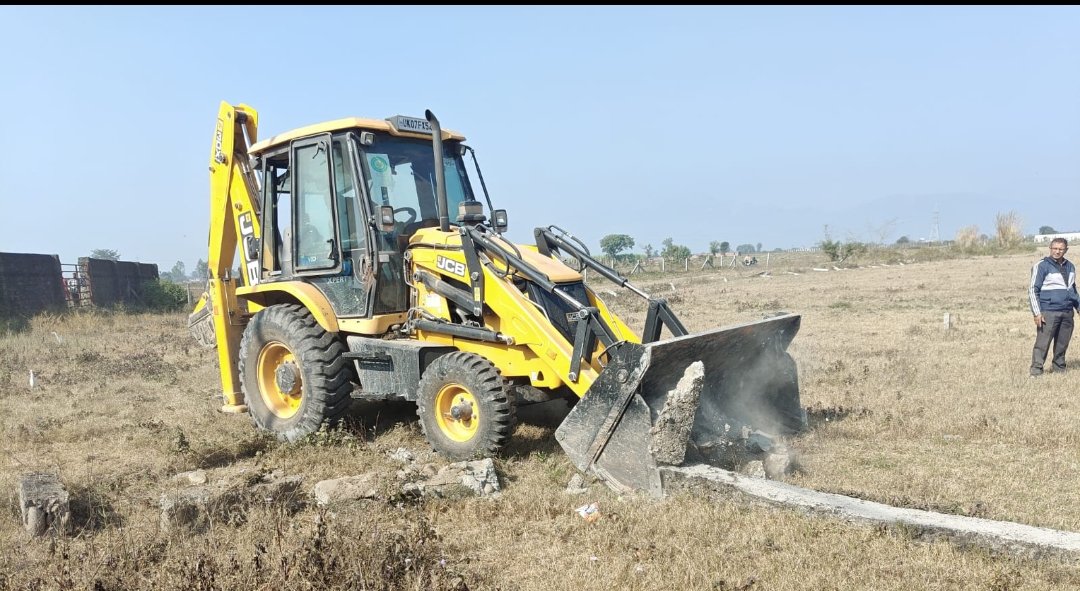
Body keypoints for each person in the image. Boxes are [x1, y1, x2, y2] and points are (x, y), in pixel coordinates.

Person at [1028, 237, 1080, 376]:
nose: (1057, 251)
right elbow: (1033, 290)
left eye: (1061, 249)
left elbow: (1072, 289)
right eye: (1055, 248)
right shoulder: (1041, 266)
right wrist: (1037, 313)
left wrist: (1078, 306)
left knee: (1063, 343)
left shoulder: (1070, 266)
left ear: (1066, 250)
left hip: (1067, 311)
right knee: (1042, 343)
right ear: (1050, 249)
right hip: (1048, 312)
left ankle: (1059, 368)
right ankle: (1036, 371)